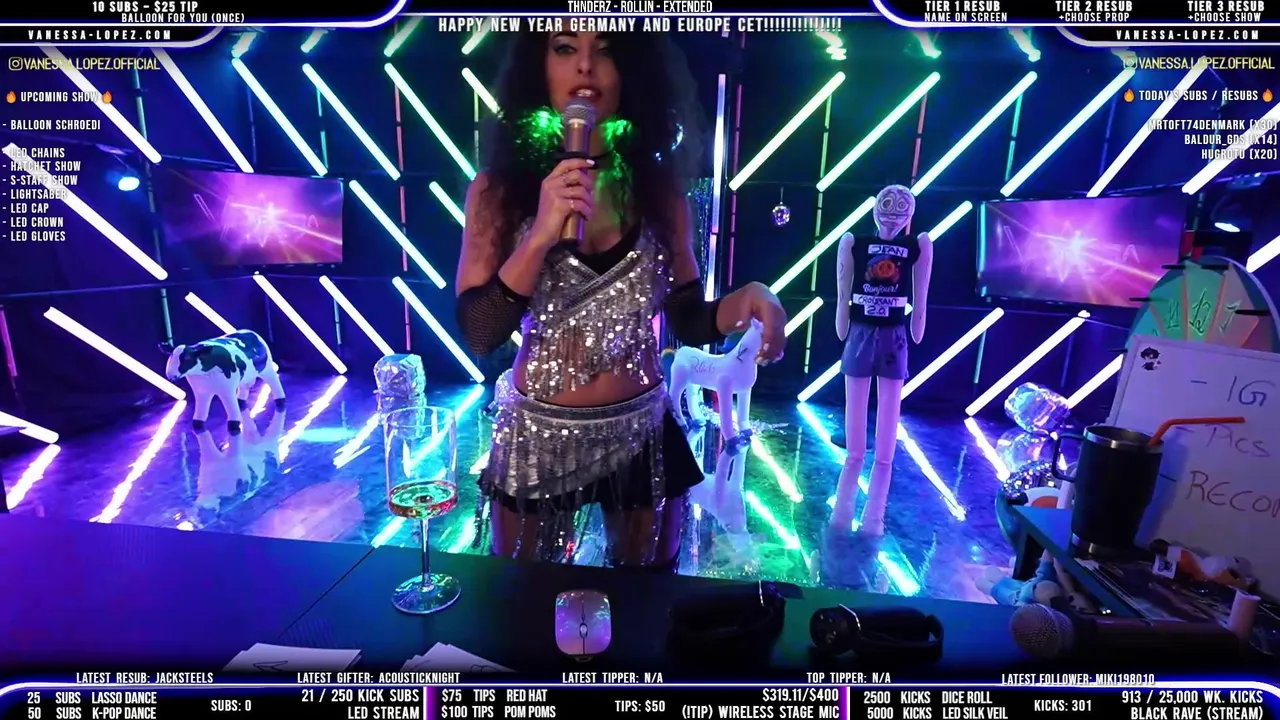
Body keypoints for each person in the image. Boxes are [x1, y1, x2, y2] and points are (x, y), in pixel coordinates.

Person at [455, 30, 787, 570]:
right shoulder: (499, 190)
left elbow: (689, 318)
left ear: (631, 69)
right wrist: (539, 235)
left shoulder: (660, 190)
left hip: (642, 431)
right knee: (523, 605)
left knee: (644, 605)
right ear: (539, 65)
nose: (585, 66)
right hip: (538, 435)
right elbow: (479, 331)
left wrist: (750, 297)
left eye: (606, 50)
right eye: (565, 48)